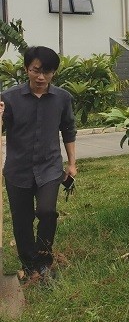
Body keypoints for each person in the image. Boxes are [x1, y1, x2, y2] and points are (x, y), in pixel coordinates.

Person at [0, 46, 77, 283]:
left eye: (47, 72)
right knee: (22, 220)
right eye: (36, 70)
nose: (41, 77)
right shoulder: (9, 98)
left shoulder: (62, 98)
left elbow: (68, 130)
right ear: (26, 69)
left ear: (54, 73)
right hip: (17, 169)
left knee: (47, 211)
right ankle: (29, 265)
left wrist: (72, 164)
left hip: (49, 168)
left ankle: (44, 261)